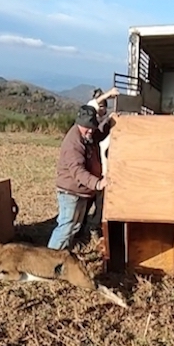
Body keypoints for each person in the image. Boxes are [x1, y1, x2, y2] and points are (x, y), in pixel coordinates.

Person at [48, 105, 111, 250]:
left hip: (82, 191)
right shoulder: (74, 143)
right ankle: (50, 260)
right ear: (79, 123)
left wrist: (111, 121)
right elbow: (78, 171)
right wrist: (98, 184)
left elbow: (98, 133)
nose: (90, 130)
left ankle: (64, 257)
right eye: (87, 127)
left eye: (92, 127)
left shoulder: (87, 134)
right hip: (70, 192)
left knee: (75, 227)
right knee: (65, 227)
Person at [79, 87, 118, 237]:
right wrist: (108, 94)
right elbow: (92, 105)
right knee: (85, 204)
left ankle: (96, 230)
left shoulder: (107, 125)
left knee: (101, 205)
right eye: (100, 105)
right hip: (90, 173)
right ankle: (79, 231)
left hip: (103, 173)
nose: (101, 108)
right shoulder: (89, 122)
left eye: (104, 106)